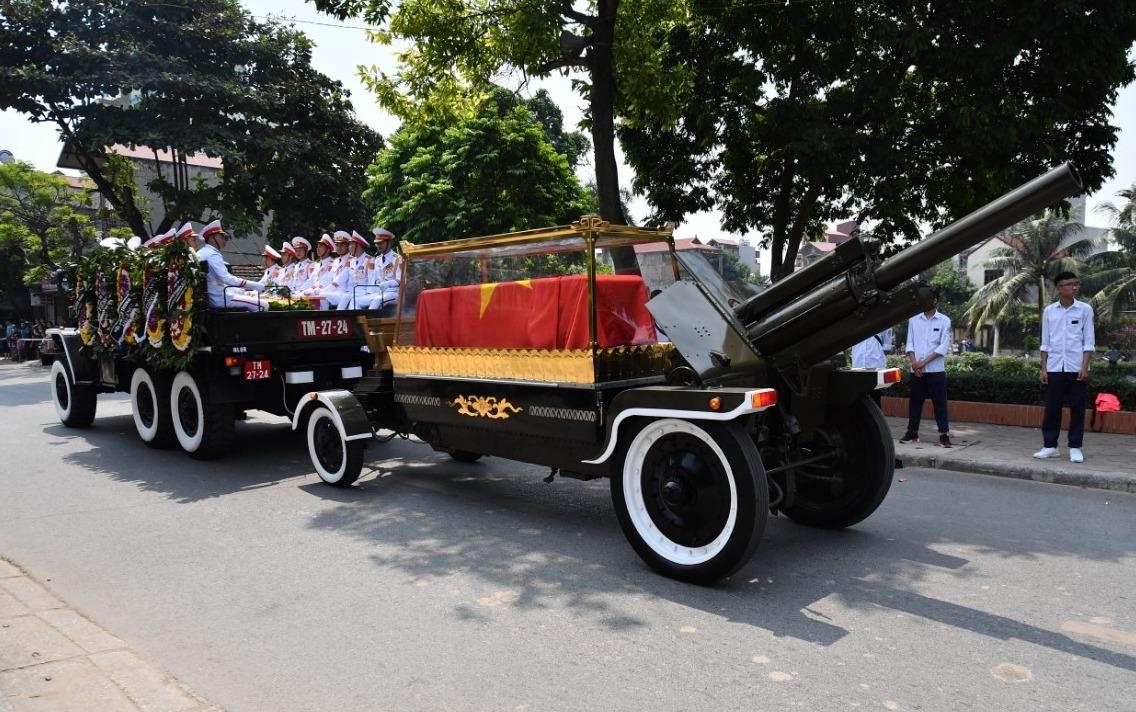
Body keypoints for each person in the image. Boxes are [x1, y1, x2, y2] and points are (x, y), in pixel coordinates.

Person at [1034, 271, 1095, 463]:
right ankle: (1050, 446)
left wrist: (1085, 367)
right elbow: (1045, 342)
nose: (1074, 287)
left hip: (1076, 367)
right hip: (1054, 367)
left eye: (1076, 283)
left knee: (1077, 408)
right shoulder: (1049, 311)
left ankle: (1075, 447)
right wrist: (1043, 368)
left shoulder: (1085, 309)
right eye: (1069, 284)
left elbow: (1088, 341)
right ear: (1059, 288)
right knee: (1052, 408)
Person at [899, 287, 952, 447]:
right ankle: (912, 433)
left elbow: (943, 347)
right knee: (915, 403)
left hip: (936, 370)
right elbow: (910, 344)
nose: (924, 302)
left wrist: (922, 363)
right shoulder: (914, 319)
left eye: (928, 298)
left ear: (935, 300)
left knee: (940, 403)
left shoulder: (944, 320)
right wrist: (915, 364)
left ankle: (944, 435)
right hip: (916, 370)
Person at [197, 219, 265, 311]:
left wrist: (242, 290)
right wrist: (254, 285)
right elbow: (227, 279)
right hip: (220, 298)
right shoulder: (212, 254)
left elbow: (218, 281)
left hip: (214, 296)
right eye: (222, 237)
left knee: (244, 293)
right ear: (211, 238)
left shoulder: (202, 252)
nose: (225, 240)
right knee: (264, 305)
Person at [851, 327, 894, 405]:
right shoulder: (853, 323)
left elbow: (887, 348)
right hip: (857, 366)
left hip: (876, 368)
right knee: (857, 400)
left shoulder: (883, 322)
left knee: (875, 399)